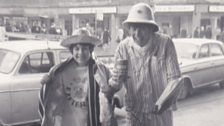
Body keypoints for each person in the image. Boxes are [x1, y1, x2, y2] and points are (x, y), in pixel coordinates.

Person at [104, 3, 181, 126]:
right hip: (134, 115)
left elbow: (174, 79)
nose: (137, 34)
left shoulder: (165, 44)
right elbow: (117, 83)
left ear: (151, 28)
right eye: (133, 28)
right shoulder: (123, 48)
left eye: (142, 28)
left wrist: (163, 102)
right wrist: (112, 83)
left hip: (160, 115)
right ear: (128, 29)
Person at [39, 28, 119, 126]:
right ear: (71, 50)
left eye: (85, 48)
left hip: (92, 122)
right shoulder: (60, 71)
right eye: (77, 48)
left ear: (90, 49)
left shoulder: (101, 69)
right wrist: (46, 83)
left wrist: (112, 89)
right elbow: (50, 99)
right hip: (68, 122)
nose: (80, 53)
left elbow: (113, 88)